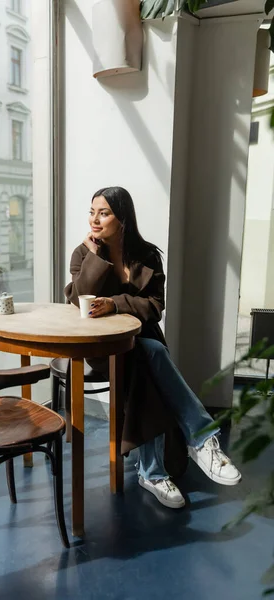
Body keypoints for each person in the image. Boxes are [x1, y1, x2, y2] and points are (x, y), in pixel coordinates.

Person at [64, 186, 241, 509]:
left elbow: (155, 306)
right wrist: (93, 257)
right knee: (153, 355)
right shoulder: (83, 253)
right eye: (92, 211)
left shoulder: (146, 256)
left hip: (140, 344)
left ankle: (153, 472)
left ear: (123, 218)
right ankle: (202, 440)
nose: (95, 219)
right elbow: (78, 301)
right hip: (104, 349)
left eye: (103, 213)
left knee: (146, 364)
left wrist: (116, 304)